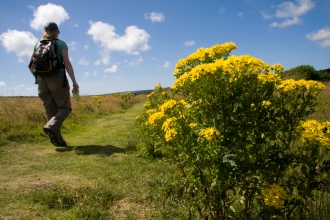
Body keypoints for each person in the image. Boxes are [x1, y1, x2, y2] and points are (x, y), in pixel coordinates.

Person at [28, 22, 79, 146]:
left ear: (45, 32)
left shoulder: (37, 45)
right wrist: (74, 82)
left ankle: (58, 140)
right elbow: (66, 63)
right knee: (65, 107)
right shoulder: (61, 44)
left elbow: (30, 65)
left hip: (41, 81)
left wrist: (38, 77)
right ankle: (52, 127)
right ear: (57, 32)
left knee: (50, 108)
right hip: (57, 79)